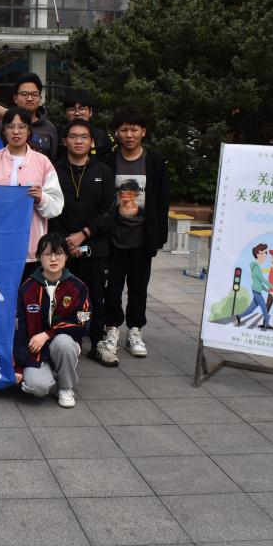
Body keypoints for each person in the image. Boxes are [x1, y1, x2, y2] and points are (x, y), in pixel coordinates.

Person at [100, 106, 170, 359]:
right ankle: (111, 328)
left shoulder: (154, 161)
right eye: (124, 130)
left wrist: (159, 235)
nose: (129, 135)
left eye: (134, 129)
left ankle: (135, 330)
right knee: (112, 288)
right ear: (116, 133)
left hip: (142, 238)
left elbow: (162, 200)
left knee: (139, 288)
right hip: (113, 239)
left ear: (143, 132)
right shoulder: (108, 161)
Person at [49, 119, 116, 365]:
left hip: (94, 246)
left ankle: (97, 342)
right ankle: (62, 341)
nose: (78, 141)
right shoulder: (53, 170)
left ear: (92, 142)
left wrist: (84, 234)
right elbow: (50, 209)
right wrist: (66, 243)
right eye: (73, 136)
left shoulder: (104, 172)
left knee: (95, 296)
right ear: (64, 141)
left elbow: (109, 210)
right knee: (60, 297)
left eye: (84, 137)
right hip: (61, 247)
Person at [0, 108, 63, 278]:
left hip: (32, 249)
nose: (16, 131)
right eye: (11, 127)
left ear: (29, 130)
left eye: (22, 127)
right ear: (4, 131)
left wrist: (40, 198)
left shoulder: (43, 162)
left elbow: (56, 206)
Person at [13, 233, 89, 409]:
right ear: (38, 257)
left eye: (59, 253)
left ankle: (65, 387)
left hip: (61, 344)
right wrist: (18, 366)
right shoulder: (27, 288)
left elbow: (83, 323)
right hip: (35, 351)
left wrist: (47, 334)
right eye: (47, 254)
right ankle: (50, 372)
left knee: (64, 343)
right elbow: (18, 328)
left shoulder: (79, 287)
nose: (53, 259)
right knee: (37, 387)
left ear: (66, 256)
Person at [0, 73, 58, 158]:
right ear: (15, 98)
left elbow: (53, 159)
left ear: (40, 98)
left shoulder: (49, 128)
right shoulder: (1, 126)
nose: (30, 98)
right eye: (24, 94)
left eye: (34, 94)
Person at [60, 89, 111, 159]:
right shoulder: (58, 135)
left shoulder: (101, 136)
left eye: (81, 109)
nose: (77, 113)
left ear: (90, 112)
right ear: (65, 113)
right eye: (72, 109)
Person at [236, 243, 273, 330]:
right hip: (256, 292)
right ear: (258, 254)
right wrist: (272, 286)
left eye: (266, 254)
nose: (265, 256)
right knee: (264, 308)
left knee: (251, 309)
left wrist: (268, 291)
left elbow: (259, 284)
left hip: (257, 291)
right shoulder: (256, 268)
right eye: (264, 254)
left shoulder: (257, 267)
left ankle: (239, 316)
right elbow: (262, 280)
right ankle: (267, 324)